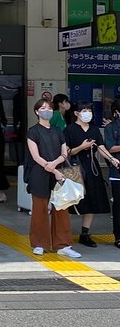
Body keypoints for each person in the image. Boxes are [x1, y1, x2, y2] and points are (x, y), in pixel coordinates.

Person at [25, 99, 81, 258]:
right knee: (39, 209)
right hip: (40, 172)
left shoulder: (58, 130)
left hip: (58, 170)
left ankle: (63, 244)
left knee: (62, 208)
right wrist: (51, 168)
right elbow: (35, 156)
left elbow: (64, 153)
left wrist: (55, 165)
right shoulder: (33, 131)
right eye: (43, 108)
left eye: (49, 108)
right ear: (37, 112)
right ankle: (39, 243)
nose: (47, 111)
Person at [64, 101, 115, 248]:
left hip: (92, 167)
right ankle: (64, 232)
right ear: (76, 113)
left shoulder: (94, 130)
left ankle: (85, 233)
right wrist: (82, 147)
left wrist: (112, 159)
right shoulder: (70, 130)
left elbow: (101, 147)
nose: (87, 113)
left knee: (92, 200)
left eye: (89, 110)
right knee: (71, 201)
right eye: (84, 110)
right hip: (74, 167)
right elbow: (67, 152)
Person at [104, 98, 120, 249]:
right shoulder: (111, 128)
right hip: (117, 172)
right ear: (117, 112)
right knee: (118, 205)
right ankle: (118, 236)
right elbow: (110, 148)